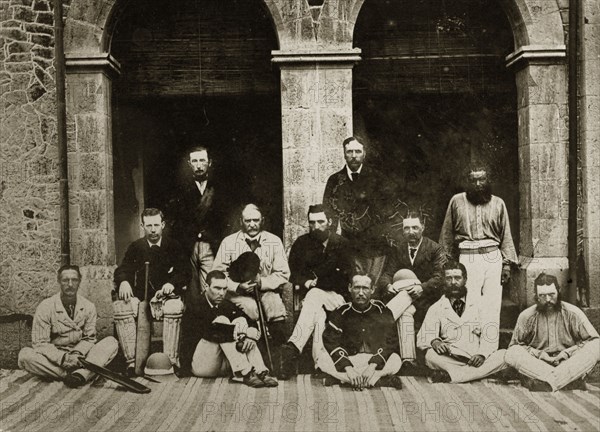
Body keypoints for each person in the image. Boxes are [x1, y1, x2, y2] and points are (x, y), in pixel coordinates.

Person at [439, 165, 518, 349]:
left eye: (482, 179)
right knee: (469, 303)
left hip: (493, 257)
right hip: (468, 257)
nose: (478, 184)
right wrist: (447, 261)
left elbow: (506, 234)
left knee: (491, 306)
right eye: (473, 180)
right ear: (467, 182)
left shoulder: (498, 203)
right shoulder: (456, 201)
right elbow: (446, 234)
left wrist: (506, 264)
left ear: (488, 181)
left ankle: (488, 351)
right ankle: (469, 349)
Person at [278, 204, 353, 379]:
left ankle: (293, 347)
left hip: (338, 298)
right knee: (317, 312)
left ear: (330, 222)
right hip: (312, 299)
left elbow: (347, 276)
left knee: (314, 295)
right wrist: (307, 282)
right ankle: (320, 365)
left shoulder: (342, 244)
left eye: (321, 222)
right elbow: (293, 274)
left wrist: (320, 283)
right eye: (312, 222)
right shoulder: (301, 244)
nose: (316, 226)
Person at [112, 208, 190, 374]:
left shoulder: (173, 246)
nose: (153, 229)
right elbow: (123, 268)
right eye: (149, 225)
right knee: (122, 306)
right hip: (142, 297)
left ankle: (171, 360)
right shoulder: (136, 247)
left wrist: (172, 283)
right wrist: (124, 281)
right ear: (142, 226)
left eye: (156, 225)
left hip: (167, 296)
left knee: (174, 307)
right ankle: (132, 362)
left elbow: (185, 271)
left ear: (162, 225)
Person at [18, 265, 118, 388]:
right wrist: (63, 358)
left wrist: (77, 354)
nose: (70, 284)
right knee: (25, 356)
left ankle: (81, 374)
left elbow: (89, 338)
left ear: (79, 281)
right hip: (55, 358)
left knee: (111, 342)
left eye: (74, 280)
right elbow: (40, 343)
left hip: (81, 357)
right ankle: (72, 375)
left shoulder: (88, 306)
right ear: (59, 281)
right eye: (65, 280)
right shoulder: (46, 307)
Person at [212, 203, 290, 350]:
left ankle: (279, 353)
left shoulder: (274, 241)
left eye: (256, 220)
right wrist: (237, 287)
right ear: (241, 221)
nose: (252, 225)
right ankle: (256, 349)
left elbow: (283, 273)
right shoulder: (228, 242)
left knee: (274, 305)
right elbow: (217, 274)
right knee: (251, 307)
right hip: (238, 294)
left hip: (265, 290)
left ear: (262, 220)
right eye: (248, 221)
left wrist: (262, 282)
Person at [505, 273, 600, 392]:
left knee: (597, 346)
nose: (548, 300)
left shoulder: (573, 313)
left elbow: (593, 340)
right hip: (538, 365)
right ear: (536, 296)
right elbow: (515, 346)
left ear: (558, 292)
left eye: (551, 294)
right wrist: (539, 354)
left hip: (568, 363)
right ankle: (566, 381)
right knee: (512, 353)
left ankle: (548, 382)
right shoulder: (526, 316)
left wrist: (567, 353)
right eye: (542, 296)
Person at [416, 261, 507, 383]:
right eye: (449, 278)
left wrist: (482, 354)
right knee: (430, 356)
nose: (453, 282)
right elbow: (424, 336)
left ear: (465, 280)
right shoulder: (437, 307)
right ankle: (474, 374)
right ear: (443, 281)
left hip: (476, 358)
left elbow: (490, 334)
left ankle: (453, 376)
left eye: (457, 278)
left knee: (504, 356)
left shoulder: (481, 304)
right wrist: (435, 341)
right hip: (451, 358)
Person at [323, 136, 397, 284]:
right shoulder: (335, 180)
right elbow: (329, 213)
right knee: (354, 286)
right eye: (350, 152)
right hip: (349, 246)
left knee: (372, 288)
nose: (354, 156)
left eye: (358, 151)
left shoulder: (378, 179)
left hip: (375, 246)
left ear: (364, 154)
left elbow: (388, 211)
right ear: (344, 154)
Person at [377, 211, 447, 363]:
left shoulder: (435, 249)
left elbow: (440, 277)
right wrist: (388, 286)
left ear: (423, 227)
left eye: (415, 227)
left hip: (426, 299)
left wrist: (422, 287)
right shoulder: (399, 249)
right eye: (407, 228)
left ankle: (384, 318)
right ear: (403, 230)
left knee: (406, 293)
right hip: (406, 302)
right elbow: (387, 274)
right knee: (406, 311)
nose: (411, 232)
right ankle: (408, 360)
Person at [188, 270, 278, 387]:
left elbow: (250, 322)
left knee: (240, 320)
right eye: (217, 288)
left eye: (224, 289)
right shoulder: (195, 305)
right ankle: (245, 372)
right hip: (202, 364)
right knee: (222, 321)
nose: (221, 293)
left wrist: (251, 337)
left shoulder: (225, 304)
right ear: (206, 286)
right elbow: (209, 331)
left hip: (224, 363)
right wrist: (243, 334)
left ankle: (260, 371)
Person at [319, 274, 403, 390]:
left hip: (373, 361)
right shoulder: (341, 312)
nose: (361, 293)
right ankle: (375, 381)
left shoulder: (382, 310)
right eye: (357, 287)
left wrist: (372, 367)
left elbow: (390, 342)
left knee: (395, 360)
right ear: (349, 288)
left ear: (372, 290)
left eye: (365, 288)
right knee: (322, 359)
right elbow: (331, 342)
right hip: (350, 360)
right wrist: (349, 369)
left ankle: (342, 380)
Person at [168, 146, 227, 308]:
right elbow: (175, 221)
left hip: (211, 244)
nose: (199, 165)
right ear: (189, 164)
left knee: (212, 286)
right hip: (187, 246)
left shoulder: (219, 188)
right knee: (191, 289)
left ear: (209, 163)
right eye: (195, 161)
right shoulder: (180, 189)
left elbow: (224, 219)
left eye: (202, 160)